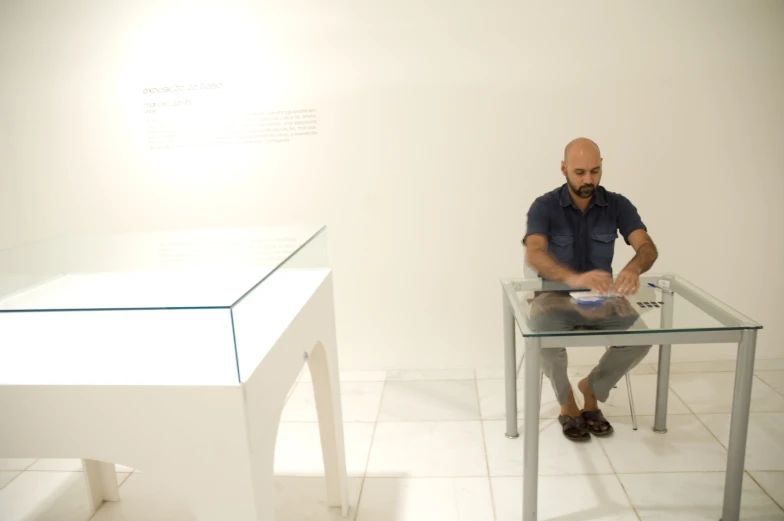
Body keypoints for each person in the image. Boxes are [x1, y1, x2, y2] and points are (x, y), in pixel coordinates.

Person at [522, 137, 659, 441]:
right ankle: (567, 402)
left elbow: (647, 246)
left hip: (602, 298)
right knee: (542, 337)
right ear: (564, 169)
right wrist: (573, 279)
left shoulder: (618, 204)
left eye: (595, 172)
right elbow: (534, 252)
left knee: (642, 338)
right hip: (554, 297)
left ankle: (592, 390)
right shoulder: (544, 206)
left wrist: (635, 266)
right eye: (580, 172)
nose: (588, 180)